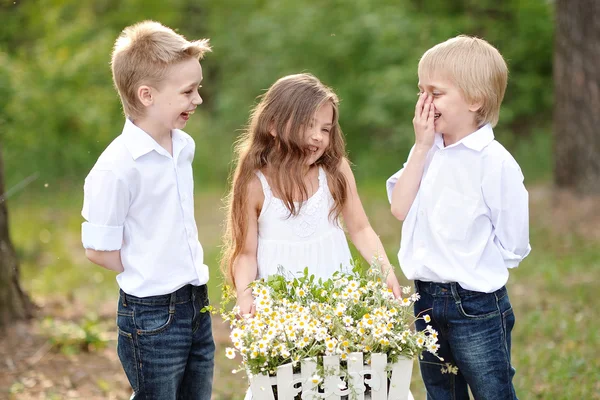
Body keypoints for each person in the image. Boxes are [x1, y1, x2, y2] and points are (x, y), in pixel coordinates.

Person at [387, 35, 531, 399]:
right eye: (421, 91)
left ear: (475, 99)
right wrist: (421, 147)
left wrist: (474, 267)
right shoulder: (427, 149)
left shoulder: (493, 162)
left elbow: (514, 241)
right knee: (441, 391)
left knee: (492, 390)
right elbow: (399, 208)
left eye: (435, 93)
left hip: (476, 304)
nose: (424, 102)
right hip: (425, 299)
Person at [81, 20, 214, 400]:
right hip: (152, 315)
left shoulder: (183, 146)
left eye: (198, 88)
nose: (198, 99)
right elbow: (99, 251)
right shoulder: (117, 168)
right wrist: (149, 267)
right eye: (188, 91)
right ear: (146, 95)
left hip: (196, 303)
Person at [221, 73, 402, 316]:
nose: (318, 136)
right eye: (308, 124)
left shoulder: (334, 170)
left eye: (325, 129)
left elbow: (360, 229)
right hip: (281, 312)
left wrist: (385, 270)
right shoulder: (255, 183)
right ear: (273, 125)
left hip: (336, 305)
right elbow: (245, 253)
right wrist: (245, 296)